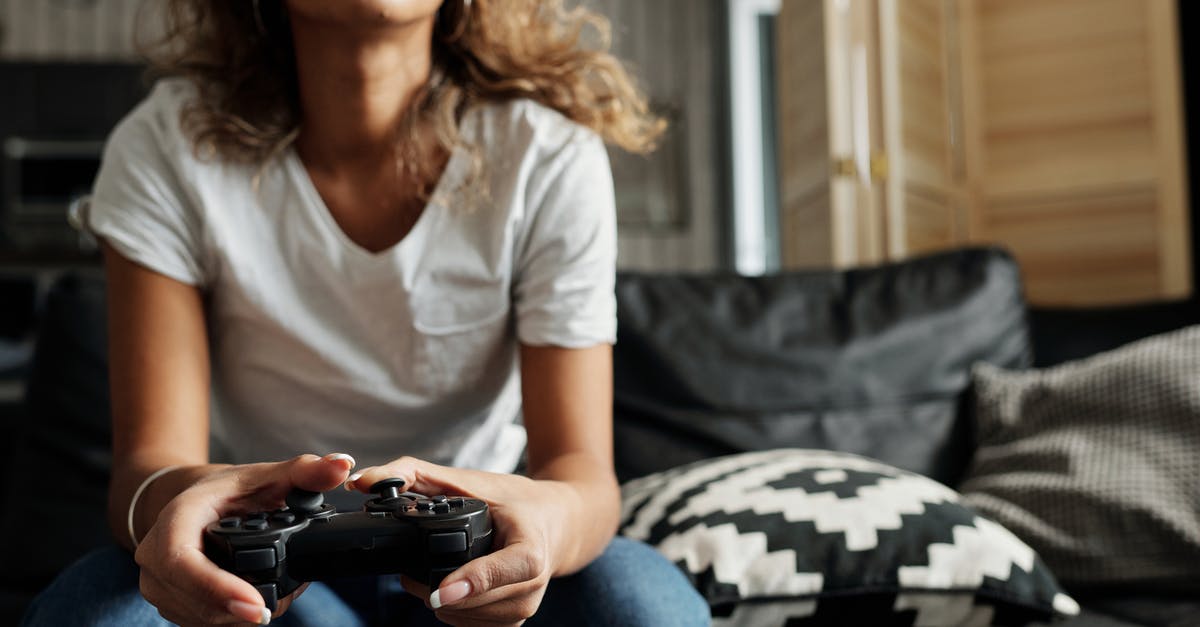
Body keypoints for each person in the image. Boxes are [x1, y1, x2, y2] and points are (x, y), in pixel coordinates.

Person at [21, 0, 710, 625]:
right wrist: (181, 503)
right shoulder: (166, 146)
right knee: (95, 612)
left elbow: (582, 475)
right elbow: (145, 470)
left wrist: (547, 524)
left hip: (476, 553)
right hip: (265, 568)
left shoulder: (547, 155)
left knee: (645, 605)